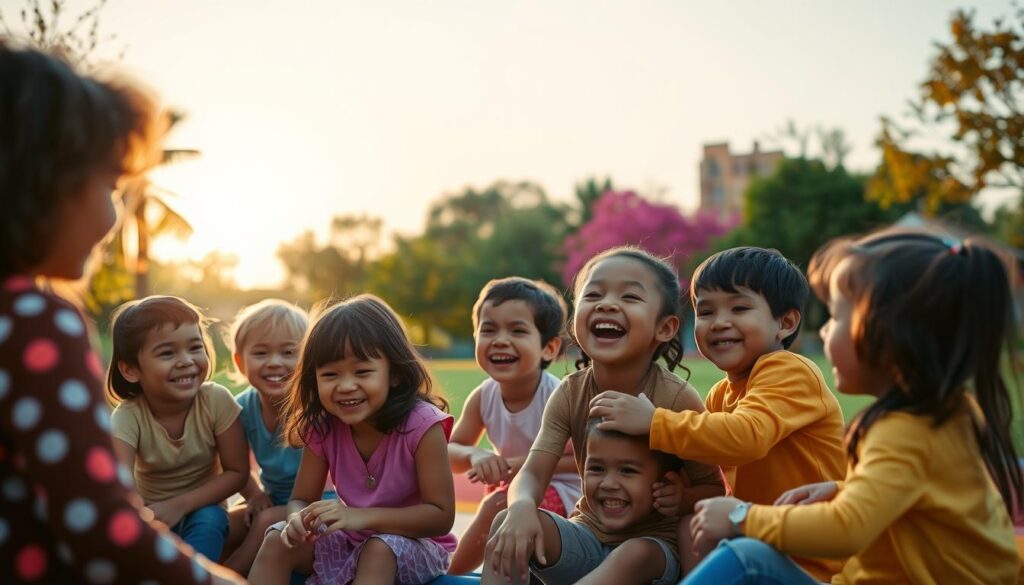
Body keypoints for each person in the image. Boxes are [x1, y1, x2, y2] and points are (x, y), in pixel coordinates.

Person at [0, 40, 241, 583]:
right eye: (110, 185)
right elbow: (100, 530)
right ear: (42, 186)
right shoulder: (34, 323)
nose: (113, 214)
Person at [683, 231, 1023, 584]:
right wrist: (842, 489)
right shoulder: (946, 411)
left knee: (748, 558)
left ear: (888, 332)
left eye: (837, 316)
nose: (826, 332)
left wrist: (742, 517)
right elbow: (916, 492)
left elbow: (848, 528)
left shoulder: (905, 430)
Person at [591, 246, 846, 579]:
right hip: (761, 542)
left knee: (741, 552)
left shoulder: (789, 370)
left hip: (814, 564)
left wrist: (655, 422)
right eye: (706, 312)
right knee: (690, 526)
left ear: (785, 323)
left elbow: (746, 437)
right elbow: (714, 472)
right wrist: (684, 496)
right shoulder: (721, 394)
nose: (719, 323)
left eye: (739, 308)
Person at [484, 247, 725, 585]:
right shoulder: (570, 393)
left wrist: (682, 499)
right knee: (505, 523)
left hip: (653, 552)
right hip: (588, 537)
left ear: (665, 328)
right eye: (593, 294)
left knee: (632, 554)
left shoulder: (675, 398)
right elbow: (533, 473)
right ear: (574, 321)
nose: (607, 304)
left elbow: (713, 488)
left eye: (629, 297)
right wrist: (522, 507)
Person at [250, 294, 457, 585]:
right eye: (330, 374)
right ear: (314, 379)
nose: (346, 386)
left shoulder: (422, 425)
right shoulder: (323, 427)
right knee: (277, 538)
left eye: (362, 372)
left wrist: (360, 516)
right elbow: (300, 498)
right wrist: (297, 519)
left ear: (394, 374)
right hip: (351, 537)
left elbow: (440, 516)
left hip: (417, 545)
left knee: (379, 548)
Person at [447, 277, 581, 574]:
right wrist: (475, 455)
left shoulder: (556, 396)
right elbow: (449, 453)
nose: (500, 340)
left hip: (565, 494)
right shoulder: (484, 397)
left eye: (517, 330)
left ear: (549, 348)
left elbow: (583, 460)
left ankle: (450, 576)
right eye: (489, 329)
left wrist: (522, 464)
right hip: (511, 490)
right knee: (498, 506)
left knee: (497, 505)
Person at [109, 295, 250, 562]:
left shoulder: (216, 400)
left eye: (195, 347)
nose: (186, 360)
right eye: (167, 353)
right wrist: (148, 515)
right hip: (152, 513)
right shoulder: (128, 417)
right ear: (130, 370)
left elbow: (237, 472)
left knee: (208, 521)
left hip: (205, 508)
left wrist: (178, 505)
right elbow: (120, 488)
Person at [221, 299, 310, 575]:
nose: (275, 363)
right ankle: (196, 569)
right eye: (260, 353)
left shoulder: (314, 408)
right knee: (227, 523)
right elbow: (235, 466)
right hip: (273, 498)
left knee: (266, 521)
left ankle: (223, 578)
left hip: (318, 503)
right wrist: (254, 493)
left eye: (288, 352)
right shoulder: (241, 407)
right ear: (240, 361)